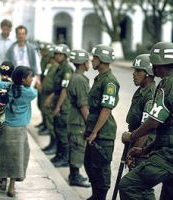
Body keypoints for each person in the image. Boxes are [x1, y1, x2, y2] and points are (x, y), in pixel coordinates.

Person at [120, 42, 173, 199]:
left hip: (171, 152)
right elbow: (170, 128)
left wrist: (132, 136)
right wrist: (145, 150)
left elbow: (154, 121)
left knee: (129, 185)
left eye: (155, 64)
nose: (154, 69)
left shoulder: (167, 83)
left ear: (163, 63)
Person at [0, 66, 37, 197]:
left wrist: (7, 83)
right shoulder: (30, 93)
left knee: (4, 155)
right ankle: (12, 186)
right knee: (17, 158)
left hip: (5, 127)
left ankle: (3, 180)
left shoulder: (7, 87)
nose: (32, 79)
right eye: (30, 77)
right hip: (19, 130)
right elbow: (31, 91)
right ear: (23, 79)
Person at [84, 44, 119, 200]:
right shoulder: (100, 78)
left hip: (103, 133)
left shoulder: (110, 82)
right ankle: (95, 195)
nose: (92, 60)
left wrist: (94, 132)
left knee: (101, 168)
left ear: (103, 60)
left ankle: (100, 197)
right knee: (90, 165)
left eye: (95, 57)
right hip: (94, 129)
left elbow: (106, 109)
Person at [125, 54, 156, 199]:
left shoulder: (151, 95)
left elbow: (146, 128)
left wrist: (134, 151)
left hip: (143, 147)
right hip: (135, 142)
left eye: (138, 71)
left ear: (148, 74)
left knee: (142, 187)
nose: (134, 74)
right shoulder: (141, 91)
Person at [44, 44, 73, 167]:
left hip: (63, 105)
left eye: (60, 54)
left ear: (65, 56)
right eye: (56, 53)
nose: (57, 56)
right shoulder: (59, 67)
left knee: (62, 132)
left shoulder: (67, 69)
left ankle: (65, 158)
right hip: (57, 102)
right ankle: (59, 154)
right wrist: (50, 99)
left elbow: (64, 90)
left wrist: (58, 106)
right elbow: (57, 88)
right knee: (57, 128)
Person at [66, 49, 91, 187]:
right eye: (87, 61)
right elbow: (83, 105)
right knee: (77, 147)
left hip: (74, 119)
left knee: (75, 147)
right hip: (78, 121)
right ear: (82, 63)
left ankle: (74, 174)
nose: (89, 63)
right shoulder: (80, 79)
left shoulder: (76, 77)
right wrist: (90, 123)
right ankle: (74, 177)